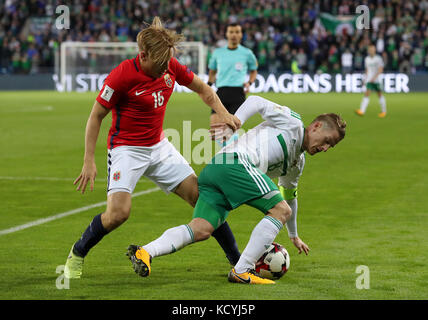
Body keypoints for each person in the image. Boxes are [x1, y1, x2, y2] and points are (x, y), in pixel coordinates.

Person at [64, 17, 242, 279]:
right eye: (158, 65)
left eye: (165, 64)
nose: (163, 71)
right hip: (127, 149)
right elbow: (96, 116)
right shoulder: (122, 75)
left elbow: (203, 89)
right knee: (117, 214)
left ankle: (239, 261)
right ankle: (78, 252)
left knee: (205, 200)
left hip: (159, 146)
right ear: (143, 55)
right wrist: (88, 160)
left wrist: (224, 113)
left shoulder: (169, 66)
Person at [126, 95, 346, 284]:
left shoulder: (298, 162)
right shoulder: (293, 122)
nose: (325, 148)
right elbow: (256, 101)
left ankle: (145, 251)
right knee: (280, 210)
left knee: (201, 229)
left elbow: (290, 197)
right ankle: (242, 271)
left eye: (331, 146)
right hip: (236, 162)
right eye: (327, 141)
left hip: (217, 169)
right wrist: (235, 122)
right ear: (316, 126)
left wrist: (294, 235)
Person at [207, 23, 258, 142]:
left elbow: (254, 71)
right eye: (231, 32)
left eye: (237, 32)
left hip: (238, 93)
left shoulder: (247, 53)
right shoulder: (218, 53)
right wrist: (208, 85)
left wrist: (249, 83)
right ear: (226, 34)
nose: (234, 35)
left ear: (241, 35)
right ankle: (227, 153)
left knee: (229, 132)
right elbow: (212, 71)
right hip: (221, 93)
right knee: (215, 131)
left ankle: (231, 157)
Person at [356, 44, 387, 118]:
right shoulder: (367, 59)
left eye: (372, 50)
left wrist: (374, 77)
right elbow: (367, 70)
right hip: (370, 80)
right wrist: (365, 78)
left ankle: (384, 111)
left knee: (379, 94)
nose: (371, 51)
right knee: (367, 93)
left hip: (377, 80)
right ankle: (362, 110)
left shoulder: (378, 58)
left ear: (374, 50)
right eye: (369, 50)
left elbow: (380, 69)